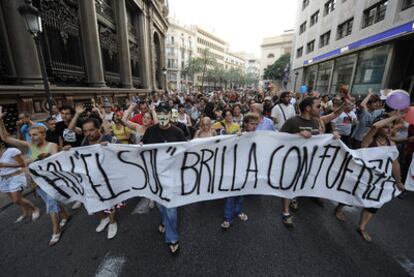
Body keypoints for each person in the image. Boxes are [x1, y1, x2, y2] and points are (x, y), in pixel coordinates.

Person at [0, 118, 71, 246]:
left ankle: (56, 230)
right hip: (37, 182)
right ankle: (66, 215)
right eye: (30, 135)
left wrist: (44, 157)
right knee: (53, 200)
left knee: (50, 203)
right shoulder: (30, 146)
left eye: (35, 134)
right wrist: (0, 120)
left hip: (51, 181)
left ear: (43, 134)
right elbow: (6, 138)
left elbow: (53, 162)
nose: (32, 137)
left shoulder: (52, 146)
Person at [336, 114, 405, 242]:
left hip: (380, 180)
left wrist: (398, 180)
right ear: (379, 128)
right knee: (353, 196)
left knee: (376, 202)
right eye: (386, 127)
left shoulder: (391, 143)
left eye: (391, 127)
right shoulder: (367, 139)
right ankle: (339, 208)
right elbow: (374, 126)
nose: (389, 129)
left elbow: (395, 163)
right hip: (364, 176)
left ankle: (361, 227)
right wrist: (395, 115)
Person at [142, 102, 186, 255]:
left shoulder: (178, 132)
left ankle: (172, 238)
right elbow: (143, 150)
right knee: (162, 207)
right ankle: (163, 220)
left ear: (169, 114)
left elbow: (185, 153)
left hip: (172, 177)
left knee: (171, 209)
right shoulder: (150, 132)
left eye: (165, 113)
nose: (162, 116)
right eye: (159, 113)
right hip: (155, 176)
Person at [279, 97, 322, 227]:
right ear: (308, 108)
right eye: (318, 106)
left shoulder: (315, 122)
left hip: (307, 160)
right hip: (292, 160)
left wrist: (331, 137)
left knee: (299, 182)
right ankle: (286, 212)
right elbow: (279, 138)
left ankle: (294, 197)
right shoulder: (293, 121)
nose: (321, 108)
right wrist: (297, 135)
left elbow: (317, 138)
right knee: (288, 184)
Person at [220, 113, 259, 229]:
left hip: (247, 170)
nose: (254, 126)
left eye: (256, 124)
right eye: (252, 124)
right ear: (245, 124)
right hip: (234, 170)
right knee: (231, 194)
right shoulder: (237, 135)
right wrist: (235, 138)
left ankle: (238, 211)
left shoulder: (258, 136)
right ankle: (228, 218)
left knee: (241, 193)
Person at [0, 140, 40, 223]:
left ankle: (35, 209)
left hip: (15, 177)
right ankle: (25, 212)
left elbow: (22, 164)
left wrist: (4, 165)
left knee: (16, 199)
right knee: (17, 199)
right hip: (3, 180)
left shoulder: (11, 151)